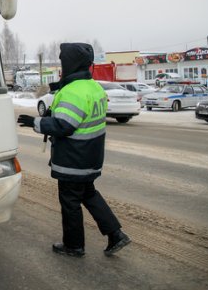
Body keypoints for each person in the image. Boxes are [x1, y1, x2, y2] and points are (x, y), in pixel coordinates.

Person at [17, 43, 130, 257]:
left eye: (63, 62)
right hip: (91, 156)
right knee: (89, 194)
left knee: (70, 202)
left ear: (69, 64)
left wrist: (36, 123)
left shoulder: (73, 92)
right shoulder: (93, 87)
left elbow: (64, 126)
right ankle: (116, 234)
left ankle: (74, 245)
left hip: (73, 159)